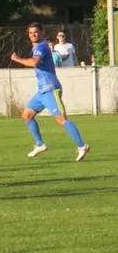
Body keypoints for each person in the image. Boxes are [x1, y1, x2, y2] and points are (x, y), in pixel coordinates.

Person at [10, 22, 89, 161]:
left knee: (61, 119)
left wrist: (17, 59)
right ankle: (40, 144)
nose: (33, 35)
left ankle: (82, 146)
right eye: (30, 33)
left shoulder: (41, 46)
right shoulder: (37, 47)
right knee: (26, 115)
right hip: (42, 91)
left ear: (42, 32)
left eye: (36, 32)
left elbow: (34, 62)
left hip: (51, 89)